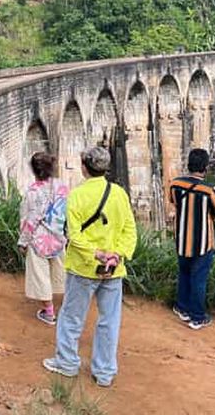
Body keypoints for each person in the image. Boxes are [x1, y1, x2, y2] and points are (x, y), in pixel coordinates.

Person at [42, 146, 137, 388]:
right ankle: (104, 372)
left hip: (83, 269)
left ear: (84, 166)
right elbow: (129, 231)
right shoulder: (119, 194)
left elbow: (74, 235)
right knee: (109, 320)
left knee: (72, 317)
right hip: (114, 270)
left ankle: (67, 363)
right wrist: (117, 255)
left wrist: (95, 254)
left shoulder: (77, 195)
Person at [169, 148, 215, 330]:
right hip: (203, 243)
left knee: (184, 273)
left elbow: (174, 202)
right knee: (199, 279)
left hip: (181, 239)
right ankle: (197, 317)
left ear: (189, 164)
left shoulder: (175, 184)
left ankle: (182, 307)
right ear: (205, 167)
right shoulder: (209, 191)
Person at [18, 152, 69, 325]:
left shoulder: (33, 192)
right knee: (59, 272)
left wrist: (23, 242)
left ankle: (48, 312)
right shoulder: (62, 187)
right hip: (58, 237)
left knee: (40, 275)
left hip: (39, 239)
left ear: (34, 170)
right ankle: (66, 308)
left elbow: (31, 220)